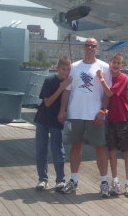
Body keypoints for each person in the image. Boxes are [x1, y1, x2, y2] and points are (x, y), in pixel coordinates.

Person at [58, 38, 112, 197]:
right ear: (83, 47)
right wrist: (62, 110)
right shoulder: (74, 67)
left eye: (92, 46)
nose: (89, 48)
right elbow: (67, 90)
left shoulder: (104, 67)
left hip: (95, 115)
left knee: (100, 148)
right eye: (87, 45)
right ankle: (73, 180)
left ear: (96, 48)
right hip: (75, 115)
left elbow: (107, 92)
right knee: (75, 147)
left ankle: (104, 182)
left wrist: (103, 111)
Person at [97, 53, 128, 197]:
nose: (116, 65)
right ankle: (115, 181)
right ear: (109, 63)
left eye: (119, 63)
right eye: (114, 62)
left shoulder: (123, 78)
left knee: (127, 152)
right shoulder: (108, 78)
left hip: (124, 119)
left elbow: (110, 93)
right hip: (111, 120)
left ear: (122, 66)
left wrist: (100, 78)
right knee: (111, 151)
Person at [34, 56, 72, 192]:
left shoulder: (70, 82)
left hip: (57, 120)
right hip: (43, 118)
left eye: (68, 69)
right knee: (41, 149)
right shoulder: (49, 80)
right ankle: (42, 179)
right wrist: (61, 88)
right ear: (57, 68)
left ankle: (60, 180)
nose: (66, 72)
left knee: (58, 150)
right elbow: (48, 102)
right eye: (63, 69)